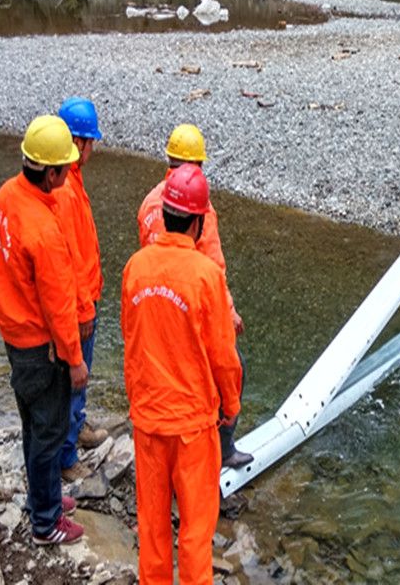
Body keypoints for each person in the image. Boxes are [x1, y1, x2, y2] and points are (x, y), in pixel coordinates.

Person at [121, 164, 244, 585]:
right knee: (195, 528)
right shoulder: (206, 276)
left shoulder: (135, 268)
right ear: (198, 221)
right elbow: (223, 355)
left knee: (152, 524)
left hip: (149, 420)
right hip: (192, 425)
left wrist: (137, 399)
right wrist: (231, 404)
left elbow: (131, 339)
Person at [0, 115, 88, 545]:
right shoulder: (44, 230)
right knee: (49, 431)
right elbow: (59, 305)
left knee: (32, 424)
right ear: (50, 173)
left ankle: (40, 497)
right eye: (64, 168)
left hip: (14, 334)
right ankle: (46, 522)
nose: (68, 175)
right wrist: (76, 359)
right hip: (41, 346)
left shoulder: (6, 196)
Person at [137, 123, 252, 468]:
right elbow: (212, 268)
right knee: (229, 370)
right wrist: (229, 313)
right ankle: (222, 448)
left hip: (156, 310)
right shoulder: (200, 208)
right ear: (197, 164)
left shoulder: (150, 203)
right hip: (193, 308)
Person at [54, 97, 109, 483]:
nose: (93, 149)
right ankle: (67, 455)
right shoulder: (66, 189)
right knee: (75, 374)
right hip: (79, 304)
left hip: (83, 296)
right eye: (91, 141)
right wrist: (84, 308)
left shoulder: (69, 178)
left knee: (77, 378)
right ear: (79, 141)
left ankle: (77, 424)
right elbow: (69, 257)